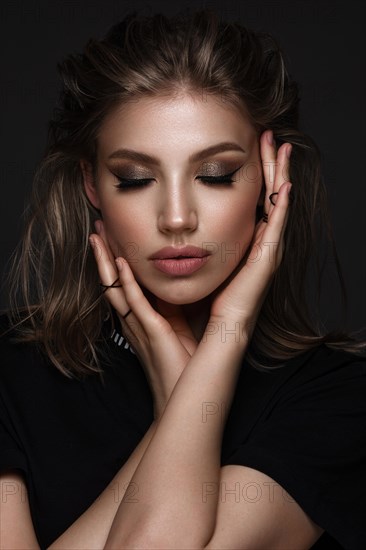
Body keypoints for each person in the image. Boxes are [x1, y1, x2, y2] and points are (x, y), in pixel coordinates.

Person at [0, 8, 365, 550]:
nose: (176, 218)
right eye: (136, 178)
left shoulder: (339, 397)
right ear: (92, 186)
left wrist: (226, 332)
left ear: (270, 182)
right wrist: (176, 403)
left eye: (215, 175)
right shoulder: (10, 372)